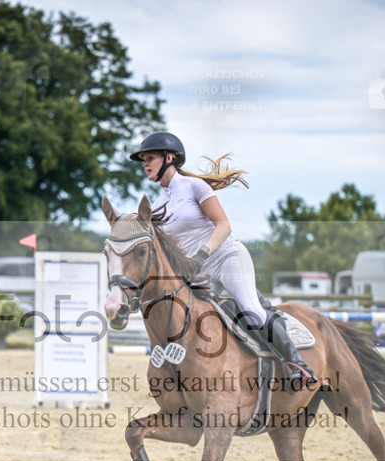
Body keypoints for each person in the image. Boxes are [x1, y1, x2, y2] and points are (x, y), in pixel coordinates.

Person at [129, 131, 313, 388]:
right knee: (193, 318)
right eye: (143, 160)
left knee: (251, 310)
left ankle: (297, 365)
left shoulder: (195, 187)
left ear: (169, 158)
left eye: (150, 158)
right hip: (198, 272)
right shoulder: (158, 204)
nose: (145, 164)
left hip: (226, 257)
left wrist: (202, 254)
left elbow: (224, 225)